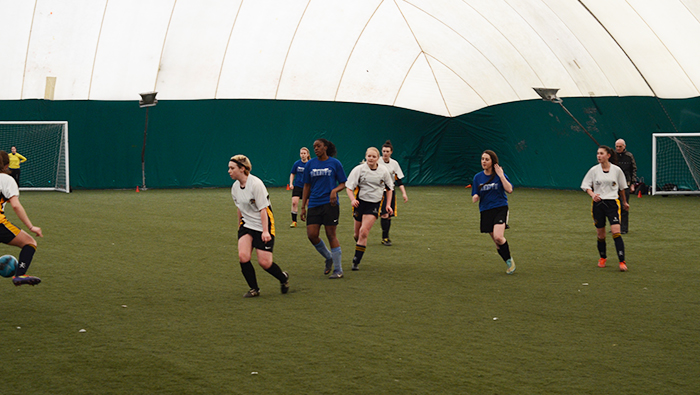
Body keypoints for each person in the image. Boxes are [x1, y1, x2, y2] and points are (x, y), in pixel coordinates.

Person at [228, 155, 290, 297]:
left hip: (263, 224)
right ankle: (254, 289)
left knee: (265, 263)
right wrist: (240, 227)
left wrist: (266, 231)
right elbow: (240, 208)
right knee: (243, 257)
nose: (229, 171)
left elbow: (263, 209)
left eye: (232, 168)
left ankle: (283, 278)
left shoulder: (256, 184)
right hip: (247, 224)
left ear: (242, 169)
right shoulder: (235, 187)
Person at [300, 139, 347, 279]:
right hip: (314, 203)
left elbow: (343, 183)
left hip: (330, 204)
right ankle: (328, 257)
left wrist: (334, 191)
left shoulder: (335, 163)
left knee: (331, 234)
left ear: (325, 147)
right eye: (314, 147)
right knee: (311, 235)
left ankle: (338, 270)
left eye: (319, 146)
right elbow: (307, 186)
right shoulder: (310, 164)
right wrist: (303, 207)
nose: (316, 149)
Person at [581, 145, 630, 272]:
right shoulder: (593, 170)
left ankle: (622, 261)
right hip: (598, 205)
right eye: (597, 153)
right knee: (601, 235)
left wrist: (624, 202)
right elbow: (585, 185)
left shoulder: (617, 170)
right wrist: (593, 195)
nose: (599, 156)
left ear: (608, 155)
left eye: (601, 153)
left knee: (616, 232)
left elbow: (622, 188)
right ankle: (603, 258)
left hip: (612, 203)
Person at [345, 147, 394, 271]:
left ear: (378, 158)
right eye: (369, 156)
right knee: (357, 235)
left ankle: (356, 261)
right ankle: (360, 244)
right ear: (366, 157)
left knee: (364, 232)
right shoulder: (359, 170)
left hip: (374, 204)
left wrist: (388, 205)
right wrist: (352, 199)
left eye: (374, 156)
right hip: (360, 204)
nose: (371, 159)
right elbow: (349, 187)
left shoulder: (383, 171)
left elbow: (390, 188)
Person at [0, 150, 42, 286]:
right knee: (29, 242)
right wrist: (31, 226)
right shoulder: (6, 180)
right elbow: (16, 206)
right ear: (7, 166)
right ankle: (20, 274)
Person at [471, 150, 516, 274]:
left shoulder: (499, 175)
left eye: (487, 159)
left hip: (500, 208)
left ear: (493, 161)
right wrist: (475, 197)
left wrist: (501, 175)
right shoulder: (477, 177)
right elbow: (475, 192)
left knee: (498, 237)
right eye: (482, 159)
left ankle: (509, 261)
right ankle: (508, 261)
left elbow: (509, 190)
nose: (484, 162)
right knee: (497, 242)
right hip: (485, 211)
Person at [378, 140, 408, 246]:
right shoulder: (377, 161)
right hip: (379, 191)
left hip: (390, 191)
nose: (385, 153)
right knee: (384, 214)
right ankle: (384, 237)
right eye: (383, 151)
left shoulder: (394, 164)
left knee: (388, 215)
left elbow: (398, 180)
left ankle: (386, 237)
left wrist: (404, 193)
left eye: (387, 151)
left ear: (391, 152)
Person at [615, 139, 636, 234]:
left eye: (620, 146)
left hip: (625, 184)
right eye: (617, 146)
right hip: (614, 184)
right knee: (614, 207)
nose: (618, 148)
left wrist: (632, 184)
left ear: (624, 146)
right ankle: (615, 226)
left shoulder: (629, 156)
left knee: (624, 206)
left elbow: (633, 170)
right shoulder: (612, 156)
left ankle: (624, 228)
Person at [289, 147, 310, 228]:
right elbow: (292, 173)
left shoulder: (310, 164)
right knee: (294, 203)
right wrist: (291, 183)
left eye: (304, 153)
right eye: (301, 153)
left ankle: (310, 222)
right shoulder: (297, 164)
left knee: (309, 204)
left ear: (308, 154)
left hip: (307, 187)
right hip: (298, 186)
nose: (303, 155)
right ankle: (294, 221)